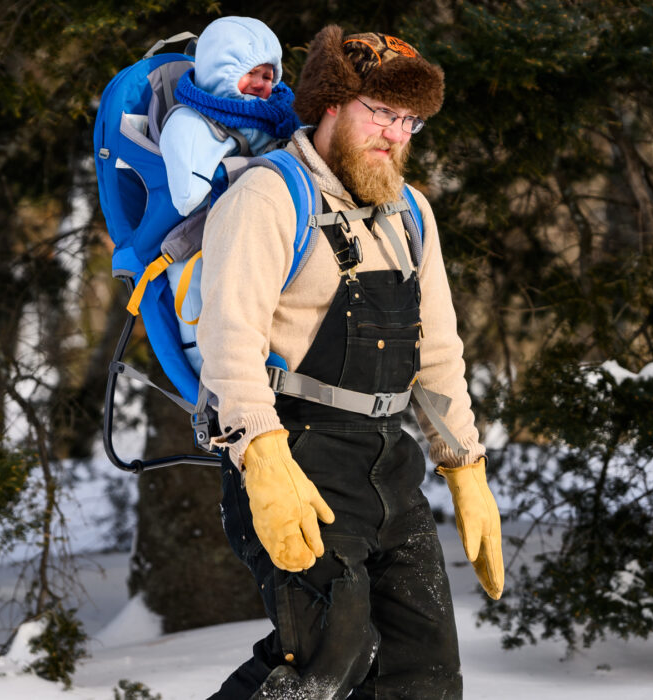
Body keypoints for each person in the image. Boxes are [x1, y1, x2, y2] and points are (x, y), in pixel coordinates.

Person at [197, 25, 503, 699]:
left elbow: (439, 354)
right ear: (332, 103)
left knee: (424, 678)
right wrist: (263, 459)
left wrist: (466, 468)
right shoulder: (267, 198)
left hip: (390, 466)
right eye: (380, 113)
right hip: (298, 458)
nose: (395, 134)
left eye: (409, 121)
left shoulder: (410, 213)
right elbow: (229, 345)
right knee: (327, 662)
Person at [159, 15, 300, 217]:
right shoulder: (189, 123)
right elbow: (186, 199)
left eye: (268, 77)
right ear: (218, 70)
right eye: (251, 72)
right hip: (215, 229)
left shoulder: (280, 115)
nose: (260, 83)